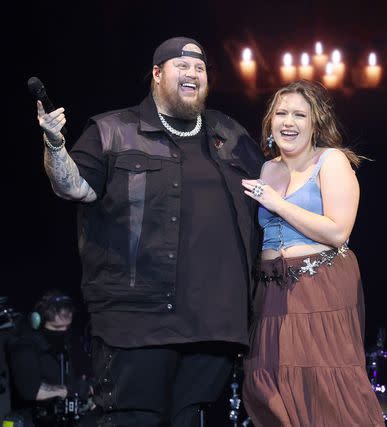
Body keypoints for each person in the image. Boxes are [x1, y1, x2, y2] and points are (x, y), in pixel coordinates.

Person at [34, 36, 264, 426]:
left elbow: (273, 192)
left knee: (191, 419)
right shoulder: (113, 130)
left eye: (200, 68)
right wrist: (55, 146)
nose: (193, 73)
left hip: (214, 323)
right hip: (136, 320)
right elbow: (72, 186)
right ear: (157, 75)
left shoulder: (230, 134)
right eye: (182, 66)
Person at [241, 80, 384, 426]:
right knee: (269, 385)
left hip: (319, 286)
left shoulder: (331, 161)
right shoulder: (267, 168)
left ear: (315, 123)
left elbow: (338, 231)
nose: (288, 122)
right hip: (272, 292)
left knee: (324, 387)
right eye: (282, 113)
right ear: (271, 122)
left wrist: (276, 203)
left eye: (299, 115)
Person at [6, 290, 96, 427]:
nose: (63, 331)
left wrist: (92, 390)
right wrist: (71, 391)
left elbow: (88, 374)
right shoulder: (24, 344)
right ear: (38, 322)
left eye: (67, 326)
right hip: (33, 420)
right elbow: (31, 391)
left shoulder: (71, 340)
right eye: (56, 327)